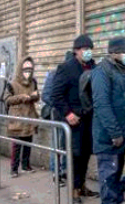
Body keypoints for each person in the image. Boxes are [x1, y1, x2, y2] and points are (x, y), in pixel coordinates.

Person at [44, 35, 100, 199]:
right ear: (76, 51)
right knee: (75, 156)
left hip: (89, 118)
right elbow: (56, 95)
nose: (88, 52)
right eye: (84, 49)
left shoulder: (93, 67)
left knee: (86, 154)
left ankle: (81, 185)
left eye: (90, 49)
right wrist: (68, 114)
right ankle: (74, 190)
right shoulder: (66, 68)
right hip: (73, 120)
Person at [92, 37, 125, 204]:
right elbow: (102, 105)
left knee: (120, 178)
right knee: (109, 179)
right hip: (110, 139)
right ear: (113, 53)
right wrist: (115, 133)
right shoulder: (102, 72)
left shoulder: (124, 70)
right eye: (124, 52)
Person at [4, 57, 40, 178]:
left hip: (29, 116)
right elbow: (7, 99)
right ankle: (14, 168)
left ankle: (26, 165)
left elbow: (36, 96)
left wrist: (34, 96)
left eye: (30, 69)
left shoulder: (33, 82)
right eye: (25, 69)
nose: (27, 72)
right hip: (18, 118)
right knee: (17, 145)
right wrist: (21, 97)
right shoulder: (12, 84)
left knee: (28, 143)